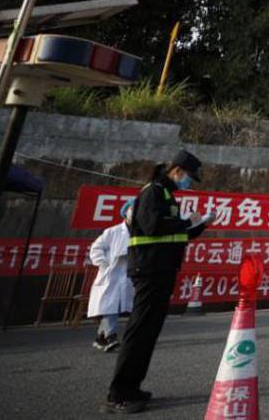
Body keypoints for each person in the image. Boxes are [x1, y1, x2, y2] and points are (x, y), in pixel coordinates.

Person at [105, 150, 210, 414]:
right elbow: (152, 226)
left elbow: (176, 235)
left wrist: (201, 225)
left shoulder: (166, 195)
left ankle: (133, 388)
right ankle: (119, 393)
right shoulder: (153, 192)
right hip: (149, 269)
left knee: (149, 332)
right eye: (188, 177)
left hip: (161, 269)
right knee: (140, 331)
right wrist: (185, 222)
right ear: (177, 171)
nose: (188, 183)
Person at [88, 199, 135, 352]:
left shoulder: (140, 232)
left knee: (114, 306)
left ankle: (100, 338)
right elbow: (96, 248)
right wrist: (103, 263)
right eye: (132, 209)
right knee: (110, 305)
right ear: (125, 212)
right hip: (111, 273)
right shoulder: (112, 232)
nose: (135, 213)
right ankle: (111, 337)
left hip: (127, 274)